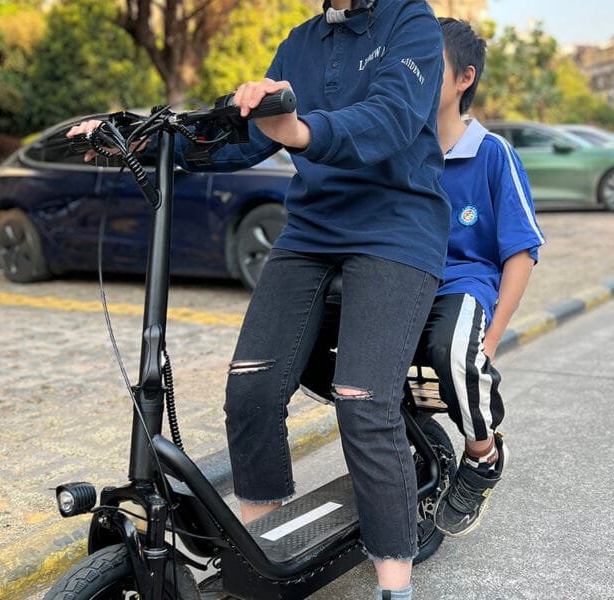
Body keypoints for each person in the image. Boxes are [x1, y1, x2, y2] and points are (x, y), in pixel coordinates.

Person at [70, 1, 447, 598]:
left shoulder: (411, 20)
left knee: (361, 399)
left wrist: (301, 130)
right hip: (312, 232)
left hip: (397, 227)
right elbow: (241, 136)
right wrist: (135, 139)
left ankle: (393, 586)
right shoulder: (298, 42)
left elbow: (393, 117)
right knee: (250, 387)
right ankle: (258, 554)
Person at [423, 17, 545, 539]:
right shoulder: (404, 152)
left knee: (456, 350)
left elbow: (521, 252)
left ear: (463, 79)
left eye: (428, 65)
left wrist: (490, 339)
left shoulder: (493, 153)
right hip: (402, 280)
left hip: (465, 284)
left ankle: (482, 454)